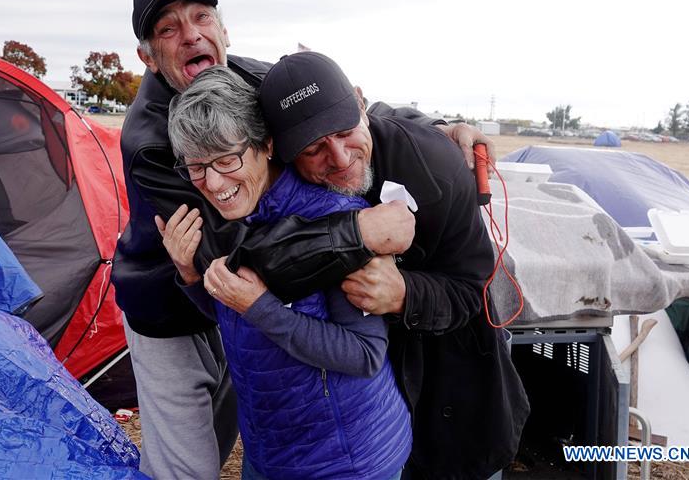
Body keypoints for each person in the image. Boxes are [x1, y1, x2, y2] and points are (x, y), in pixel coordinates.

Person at [112, 0, 496, 479]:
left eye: (202, 17)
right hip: (167, 307)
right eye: (167, 30)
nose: (191, 35)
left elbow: (340, 101)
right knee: (187, 464)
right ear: (148, 57)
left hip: (262, 342)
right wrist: (358, 234)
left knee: (264, 384)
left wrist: (429, 126)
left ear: (224, 31)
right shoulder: (154, 145)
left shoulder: (254, 83)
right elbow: (239, 265)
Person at [203, 51, 530, 479]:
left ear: (361, 104)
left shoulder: (437, 166)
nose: (339, 158)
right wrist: (356, 233)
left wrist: (404, 294)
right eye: (314, 148)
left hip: (451, 375)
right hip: (363, 409)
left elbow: (474, 288)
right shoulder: (275, 188)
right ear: (279, 154)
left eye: (344, 132)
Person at [159, 65, 412, 479]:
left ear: (267, 145)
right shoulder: (234, 218)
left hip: (347, 460)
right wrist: (189, 274)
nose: (212, 181)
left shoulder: (338, 221)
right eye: (196, 166)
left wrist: (261, 307)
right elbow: (242, 323)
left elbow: (365, 355)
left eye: (226, 160)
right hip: (272, 450)